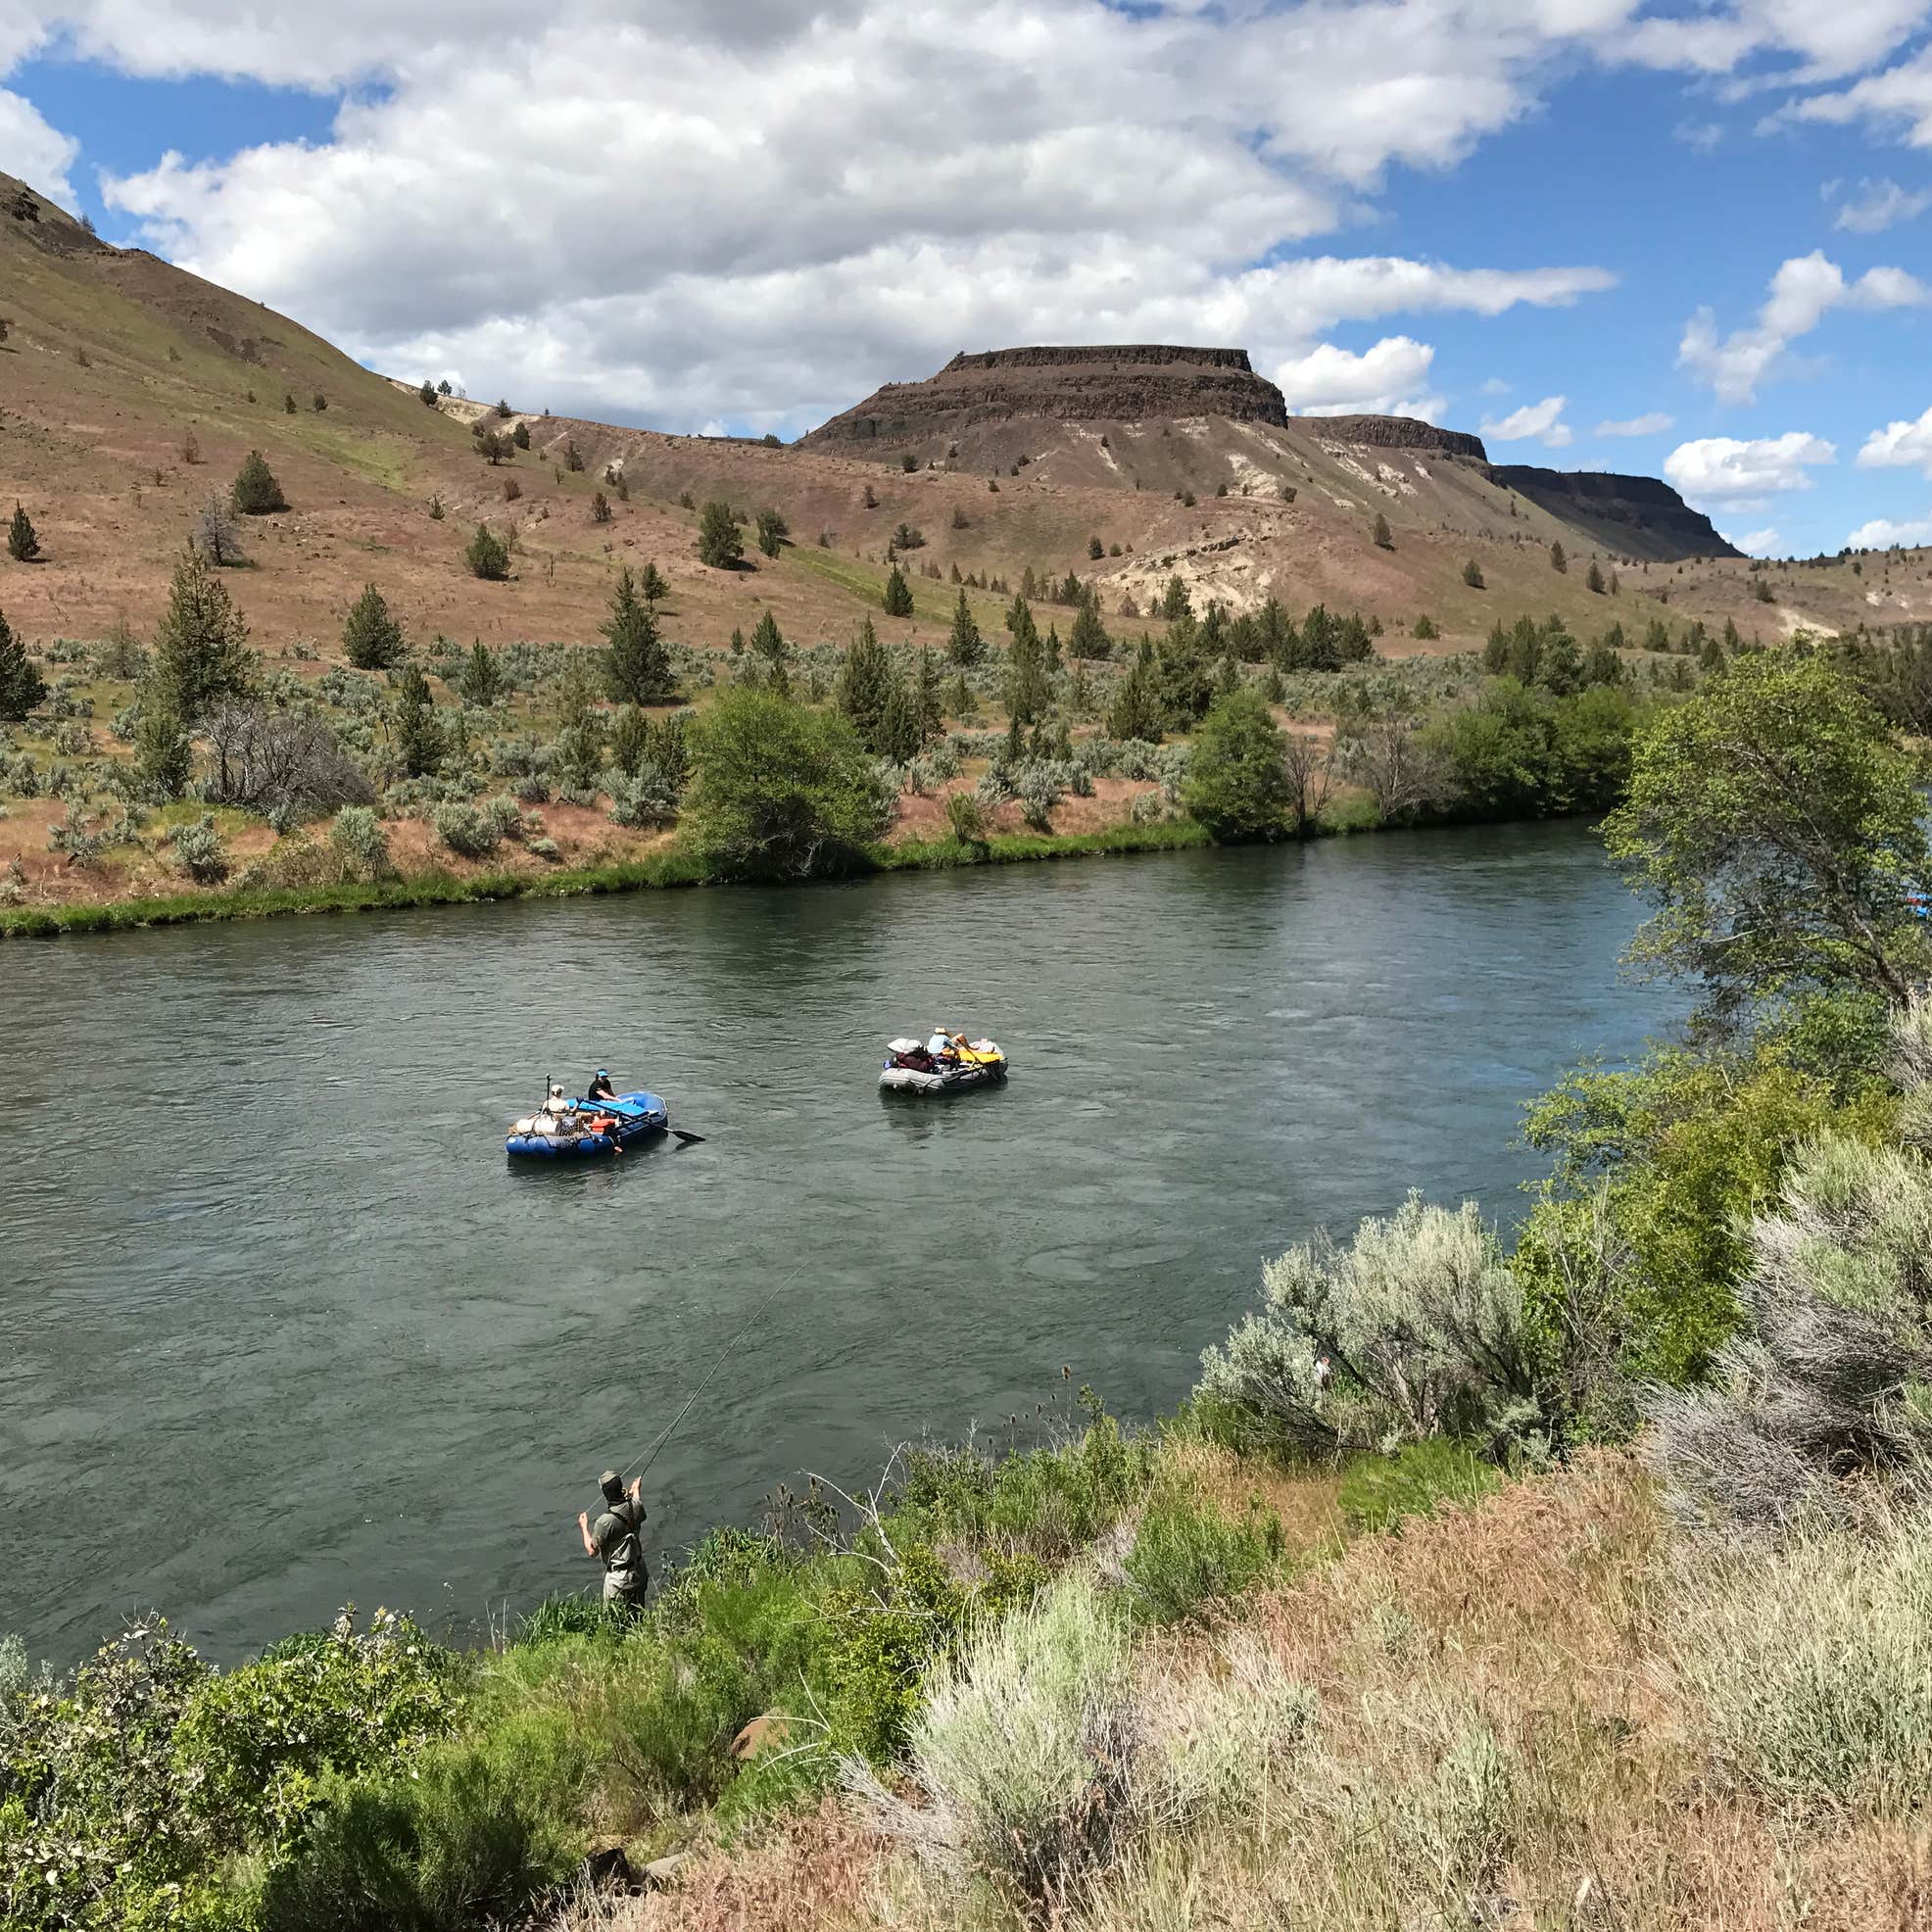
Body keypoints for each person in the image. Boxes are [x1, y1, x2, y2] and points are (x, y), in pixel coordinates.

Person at [579, 1469, 648, 1612]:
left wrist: (584, 1527)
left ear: (605, 1494)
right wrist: (636, 1489)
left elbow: (592, 1551)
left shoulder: (604, 1522)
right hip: (639, 1572)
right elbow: (636, 1502)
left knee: (615, 1623)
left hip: (618, 1580)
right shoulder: (636, 1507)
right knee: (639, 1615)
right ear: (620, 1488)